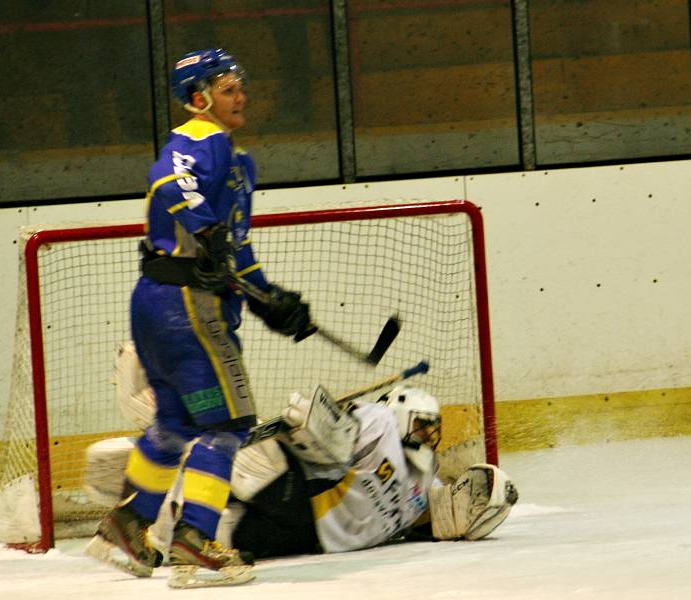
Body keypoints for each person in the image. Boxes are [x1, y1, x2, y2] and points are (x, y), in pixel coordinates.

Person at [85, 48, 312, 589]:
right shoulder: (198, 138)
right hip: (186, 308)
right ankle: (195, 540)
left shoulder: (237, 163)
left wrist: (269, 298)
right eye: (229, 87)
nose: (241, 97)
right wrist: (206, 232)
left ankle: (130, 524)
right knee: (227, 425)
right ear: (198, 97)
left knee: (177, 422)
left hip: (161, 306)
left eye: (240, 86)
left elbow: (237, 251)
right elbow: (169, 179)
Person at [85, 345, 519, 563]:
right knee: (238, 463)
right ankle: (152, 417)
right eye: (424, 426)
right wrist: (315, 426)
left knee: (221, 525)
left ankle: (142, 521)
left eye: (434, 431)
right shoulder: (382, 423)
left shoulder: (424, 483)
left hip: (303, 534)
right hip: (298, 500)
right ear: (401, 413)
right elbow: (331, 442)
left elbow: (443, 508)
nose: (429, 437)